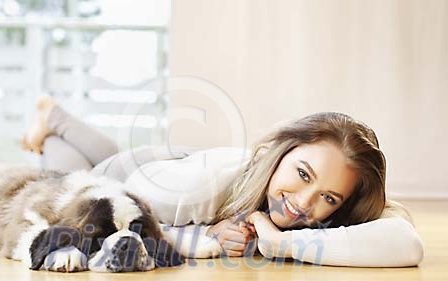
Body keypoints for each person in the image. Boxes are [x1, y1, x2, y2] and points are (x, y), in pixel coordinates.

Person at [21, 96, 425, 267]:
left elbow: (406, 244)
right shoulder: (197, 185)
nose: (303, 203)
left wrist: (283, 242)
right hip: (138, 180)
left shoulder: (323, 208)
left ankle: (54, 116)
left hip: (177, 164)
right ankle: (53, 123)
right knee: (66, 180)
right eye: (302, 174)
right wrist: (205, 235)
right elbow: (123, 217)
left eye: (329, 197)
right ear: (280, 152)